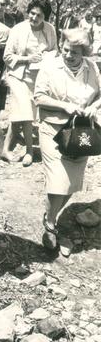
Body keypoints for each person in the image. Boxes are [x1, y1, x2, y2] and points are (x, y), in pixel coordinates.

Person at [34, 28, 101, 249]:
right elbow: (39, 97)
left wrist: (93, 107)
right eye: (65, 49)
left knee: (71, 185)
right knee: (57, 181)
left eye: (74, 52)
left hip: (81, 131)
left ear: (84, 52)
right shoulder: (50, 66)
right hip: (52, 130)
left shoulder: (92, 68)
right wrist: (66, 106)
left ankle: (51, 213)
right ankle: (51, 223)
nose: (68, 55)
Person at [2, 0, 58, 166]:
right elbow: (7, 56)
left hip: (39, 77)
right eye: (32, 13)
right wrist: (28, 59)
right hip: (18, 76)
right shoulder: (18, 29)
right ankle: (30, 152)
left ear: (45, 17)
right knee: (26, 113)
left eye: (39, 15)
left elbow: (54, 50)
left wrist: (47, 56)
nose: (34, 18)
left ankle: (5, 149)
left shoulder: (50, 30)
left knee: (21, 114)